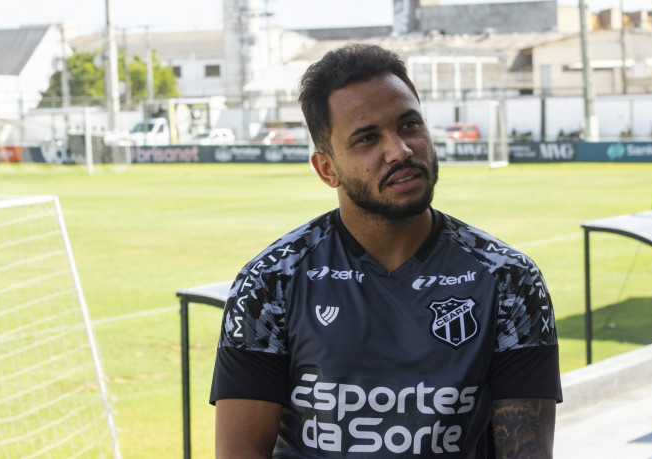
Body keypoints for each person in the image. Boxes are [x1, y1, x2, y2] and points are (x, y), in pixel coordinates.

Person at [210, 43, 562, 458]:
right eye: (367, 139)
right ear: (327, 169)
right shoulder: (270, 283)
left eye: (410, 125)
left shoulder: (509, 280)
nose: (400, 150)